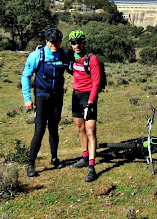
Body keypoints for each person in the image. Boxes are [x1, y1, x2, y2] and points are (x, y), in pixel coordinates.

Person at [21, 27, 70, 177]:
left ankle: (55, 158)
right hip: (42, 96)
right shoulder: (37, 55)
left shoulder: (64, 54)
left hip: (57, 97)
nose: (54, 44)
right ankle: (31, 164)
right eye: (51, 42)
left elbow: (74, 68)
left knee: (54, 128)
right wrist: (27, 98)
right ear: (46, 41)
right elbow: (25, 76)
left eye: (57, 42)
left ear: (60, 42)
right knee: (40, 129)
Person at [67, 30, 102, 182]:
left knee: (90, 132)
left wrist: (90, 102)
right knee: (80, 129)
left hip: (89, 97)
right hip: (76, 96)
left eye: (79, 42)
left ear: (84, 42)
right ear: (71, 45)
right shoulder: (70, 57)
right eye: (74, 43)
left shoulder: (92, 59)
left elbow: (96, 82)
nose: (77, 45)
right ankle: (84, 157)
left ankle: (91, 167)